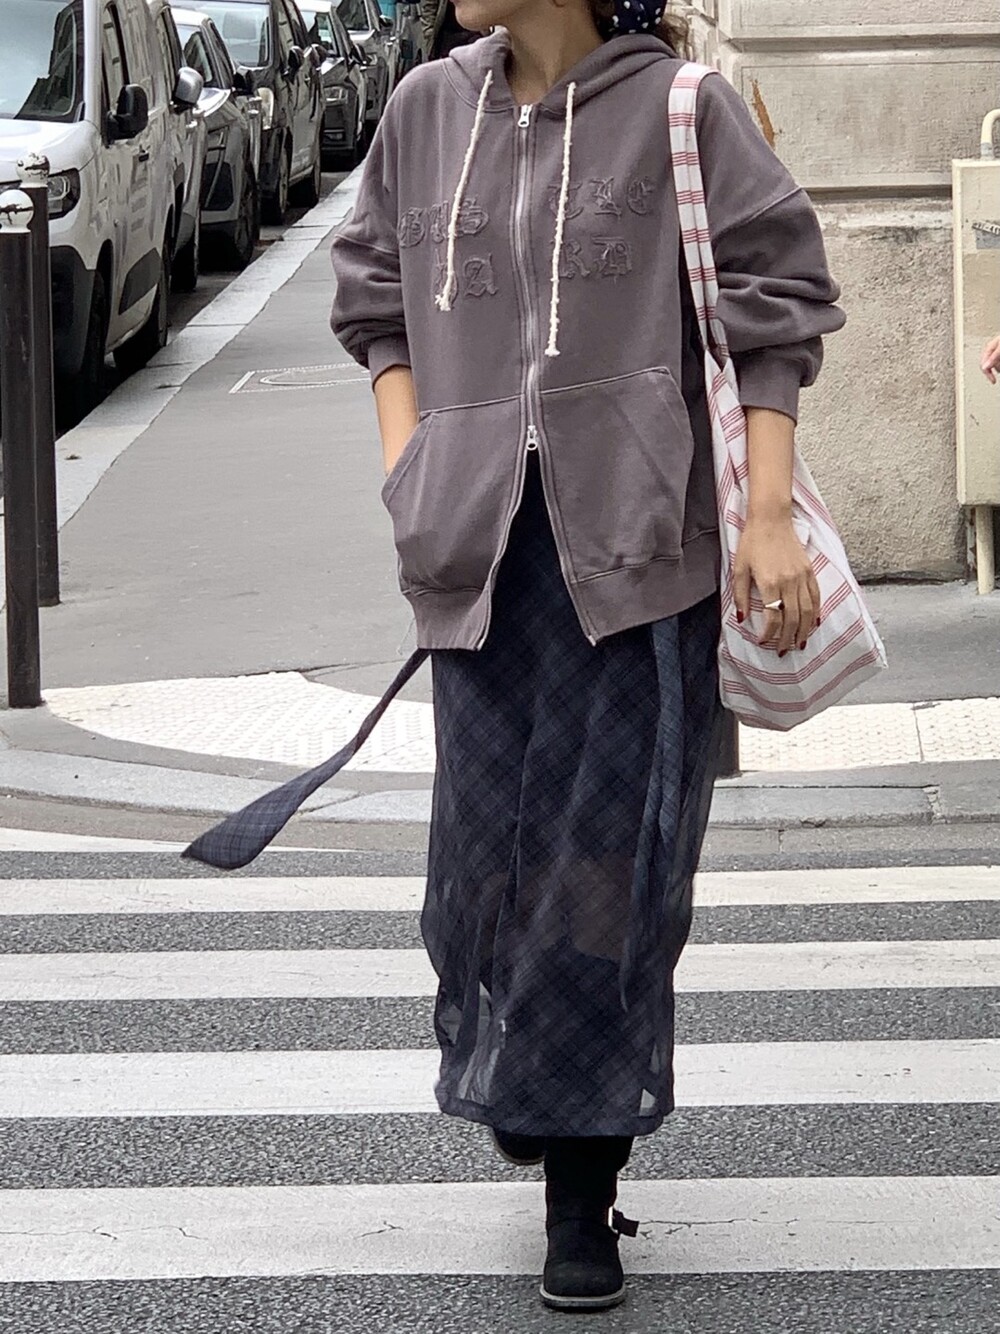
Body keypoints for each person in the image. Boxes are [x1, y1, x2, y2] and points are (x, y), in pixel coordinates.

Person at [329, 0, 844, 1311]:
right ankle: (543, 1085)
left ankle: (580, 1180)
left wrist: (767, 515)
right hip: (478, 565)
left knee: (603, 878)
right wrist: (413, 469)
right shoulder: (425, 111)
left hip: (633, 563)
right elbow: (375, 296)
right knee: (479, 875)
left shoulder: (683, 110)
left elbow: (776, 305)